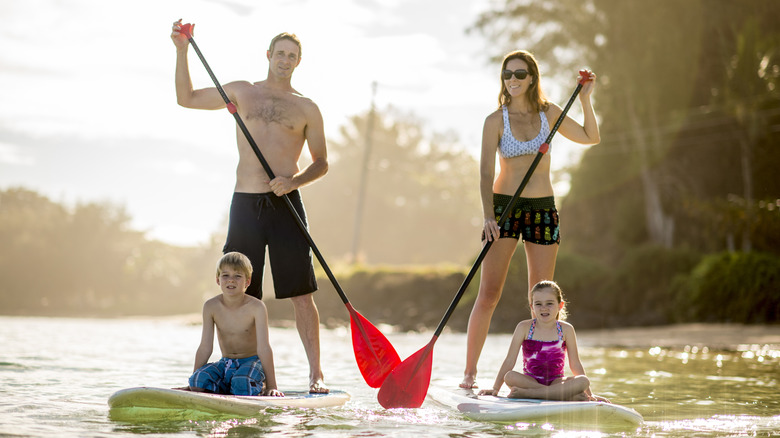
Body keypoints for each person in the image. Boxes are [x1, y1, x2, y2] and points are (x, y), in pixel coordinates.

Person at [171, 20, 329, 393]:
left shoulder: (307, 108)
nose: (285, 60)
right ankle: (238, 369)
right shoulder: (242, 92)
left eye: (292, 56)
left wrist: (293, 181)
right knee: (240, 292)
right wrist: (181, 50)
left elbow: (322, 162)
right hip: (245, 203)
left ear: (298, 61)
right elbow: (187, 98)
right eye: (280, 54)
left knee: (301, 294)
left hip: (286, 204)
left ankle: (316, 374)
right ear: (269, 56)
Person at [461, 50, 599, 389]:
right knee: (489, 293)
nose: (513, 80)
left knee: (540, 300)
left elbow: (590, 137)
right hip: (504, 209)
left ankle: (543, 373)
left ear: (532, 77)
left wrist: (585, 99)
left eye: (520, 74)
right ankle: (469, 374)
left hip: (542, 210)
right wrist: (488, 216)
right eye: (507, 74)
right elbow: (484, 174)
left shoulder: (549, 112)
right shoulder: (495, 120)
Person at [477, 281, 608, 402]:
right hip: (529, 381)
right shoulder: (524, 327)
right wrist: (495, 388)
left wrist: (590, 394)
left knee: (583, 381)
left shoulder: (566, 329)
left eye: (549, 303)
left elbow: (575, 364)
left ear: (560, 305)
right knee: (509, 376)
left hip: (556, 382)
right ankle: (561, 395)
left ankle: (531, 394)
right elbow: (509, 360)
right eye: (538, 304)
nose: (544, 308)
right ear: (532, 307)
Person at [189, 252, 283, 397]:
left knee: (242, 382)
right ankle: (228, 385)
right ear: (218, 280)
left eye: (237, 276)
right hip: (225, 364)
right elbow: (205, 347)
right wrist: (194, 383)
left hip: (251, 362)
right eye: (225, 275)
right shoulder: (211, 306)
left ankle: (258, 384)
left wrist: (272, 386)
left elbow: (264, 347)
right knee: (197, 381)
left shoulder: (256, 307)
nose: (231, 280)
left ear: (247, 282)